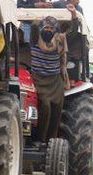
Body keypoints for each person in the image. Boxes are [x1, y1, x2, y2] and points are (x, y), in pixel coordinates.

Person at [31, 15, 72, 143]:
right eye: (46, 27)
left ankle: (52, 141)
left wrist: (73, 16)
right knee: (45, 106)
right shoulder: (35, 39)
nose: (48, 30)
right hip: (39, 79)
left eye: (51, 28)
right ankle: (41, 140)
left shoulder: (59, 40)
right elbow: (33, 24)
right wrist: (41, 16)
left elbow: (71, 28)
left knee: (56, 111)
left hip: (55, 81)